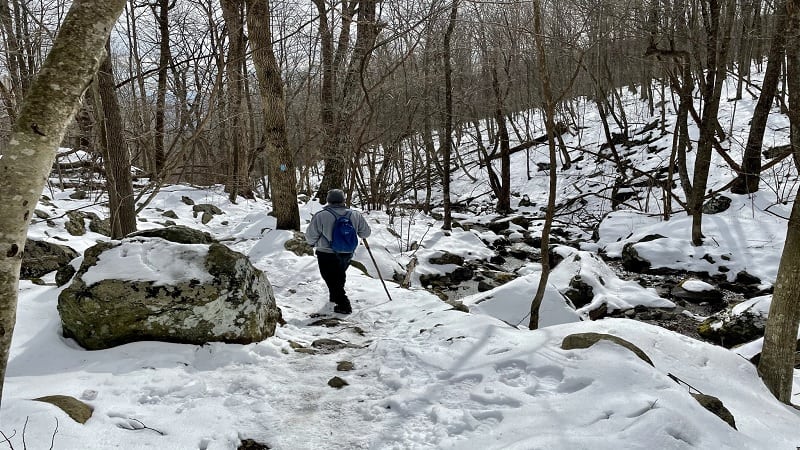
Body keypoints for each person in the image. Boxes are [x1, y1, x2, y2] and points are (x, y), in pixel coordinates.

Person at [305, 189, 371, 314]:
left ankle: (344, 304)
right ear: (343, 200)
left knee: (330, 278)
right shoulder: (355, 214)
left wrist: (311, 244)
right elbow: (366, 233)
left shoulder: (321, 215)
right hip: (347, 251)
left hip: (326, 253)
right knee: (339, 276)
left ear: (328, 200)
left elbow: (310, 236)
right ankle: (334, 298)